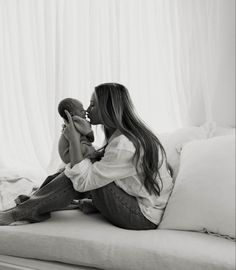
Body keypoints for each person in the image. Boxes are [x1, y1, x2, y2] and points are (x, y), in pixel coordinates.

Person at [0, 83, 173, 230]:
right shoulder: (123, 135)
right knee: (79, 167)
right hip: (141, 203)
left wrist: (74, 140)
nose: (87, 110)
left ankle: (20, 212)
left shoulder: (124, 145)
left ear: (108, 109)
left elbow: (83, 182)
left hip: (142, 216)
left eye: (93, 105)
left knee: (76, 174)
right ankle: (31, 203)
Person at [14, 98, 96, 206]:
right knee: (88, 150)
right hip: (69, 153)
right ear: (71, 114)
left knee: (56, 177)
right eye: (82, 110)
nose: (85, 111)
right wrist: (90, 138)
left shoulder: (71, 122)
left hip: (67, 154)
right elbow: (89, 134)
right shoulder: (76, 120)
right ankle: (34, 200)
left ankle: (35, 195)